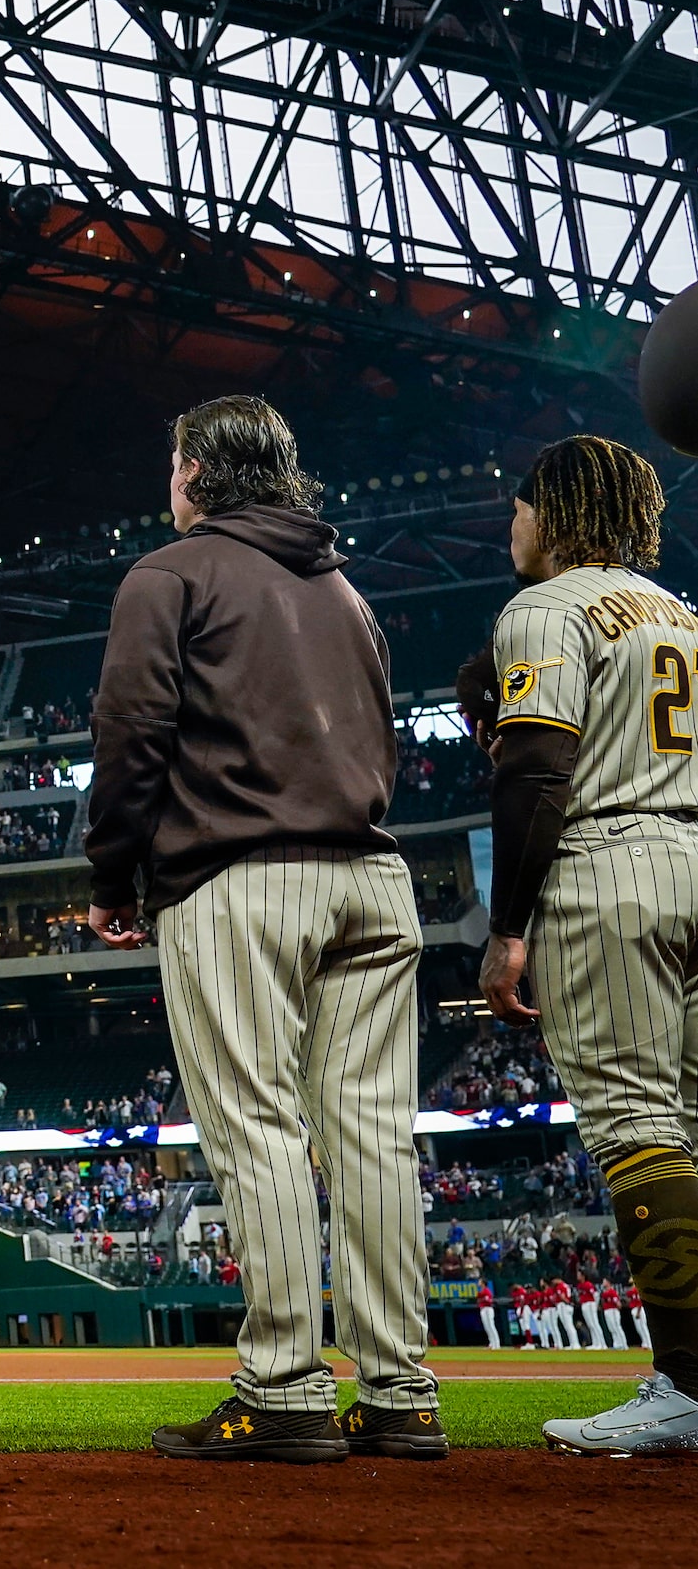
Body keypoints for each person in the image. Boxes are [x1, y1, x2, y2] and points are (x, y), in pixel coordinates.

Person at [85, 396, 441, 1462]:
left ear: (194, 470)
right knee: (375, 1140)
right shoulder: (347, 589)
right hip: (374, 879)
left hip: (243, 875)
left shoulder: (171, 573)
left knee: (260, 1132)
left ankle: (284, 1387)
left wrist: (113, 874)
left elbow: (131, 730)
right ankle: (400, 1393)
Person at [477, 435, 698, 1454]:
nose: (511, 522)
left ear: (555, 510)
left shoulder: (547, 607)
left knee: (637, 1129)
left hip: (614, 863)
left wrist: (507, 927)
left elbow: (534, 774)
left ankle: (689, 1388)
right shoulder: (681, 613)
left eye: (520, 503)